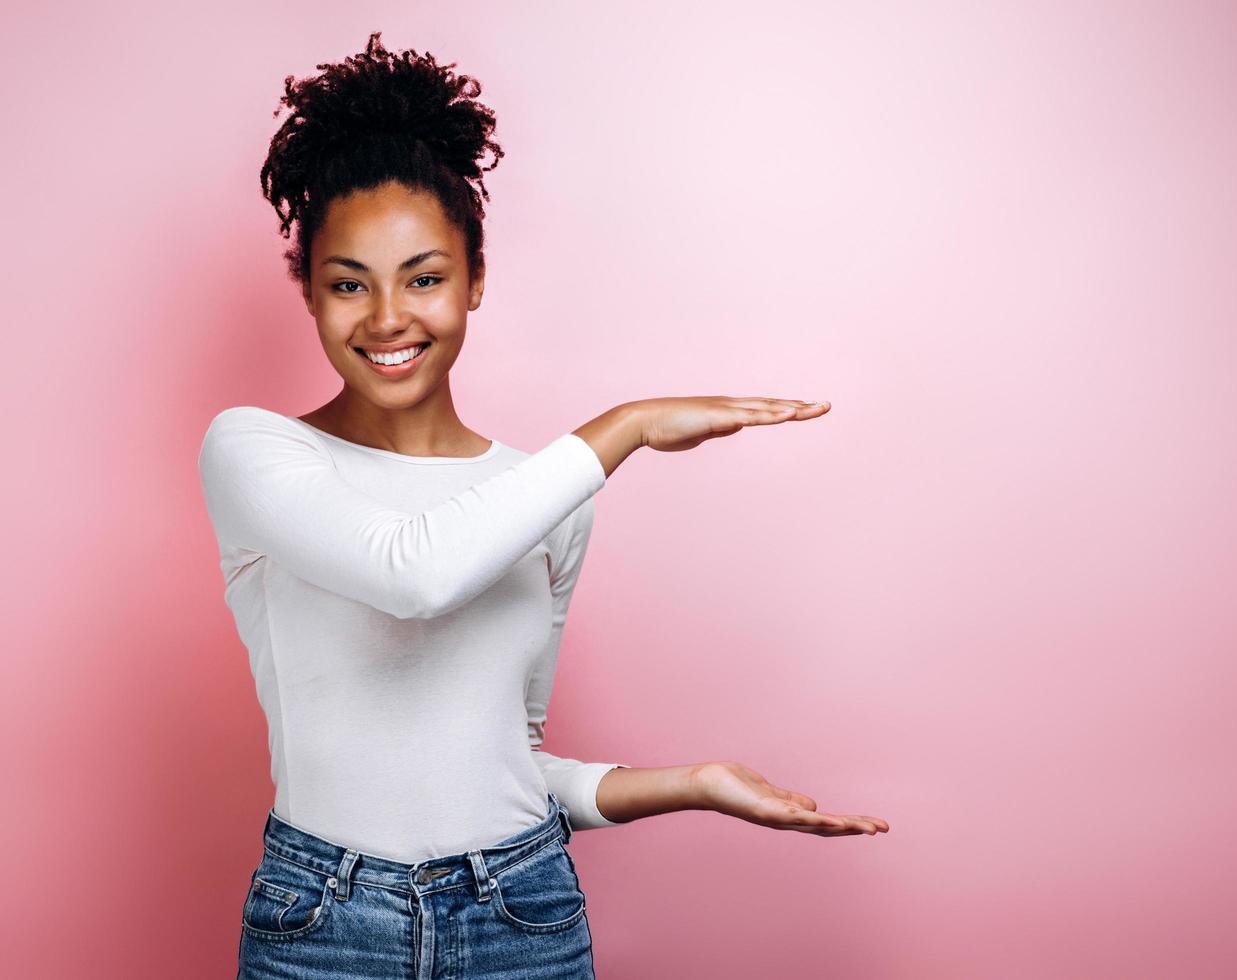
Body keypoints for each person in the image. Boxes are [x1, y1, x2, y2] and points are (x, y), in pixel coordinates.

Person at [198, 32, 888, 980]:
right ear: (309, 294)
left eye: (425, 278)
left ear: (475, 281)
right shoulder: (257, 451)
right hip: (325, 924)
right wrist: (626, 428)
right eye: (348, 284)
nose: (388, 317)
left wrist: (694, 784)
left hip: (520, 917)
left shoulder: (546, 495)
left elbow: (504, 763)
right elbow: (416, 573)